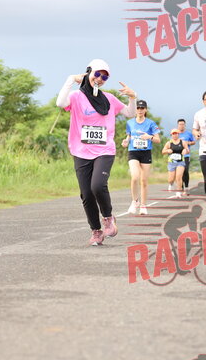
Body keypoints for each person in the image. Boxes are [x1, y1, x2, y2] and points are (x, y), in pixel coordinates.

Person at [56, 59, 137, 245]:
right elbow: (60, 102)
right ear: (88, 72)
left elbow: (130, 113)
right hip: (81, 151)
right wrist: (71, 79)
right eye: (97, 74)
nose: (100, 79)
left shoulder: (109, 98)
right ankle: (96, 231)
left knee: (98, 186)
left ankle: (108, 217)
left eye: (104, 77)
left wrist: (133, 97)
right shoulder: (76, 96)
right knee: (86, 194)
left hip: (104, 150)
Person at [121, 99, 161, 215]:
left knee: (144, 180)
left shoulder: (151, 123)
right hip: (133, 152)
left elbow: (158, 140)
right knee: (134, 177)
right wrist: (126, 142)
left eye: (142, 108)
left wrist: (149, 137)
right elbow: (129, 136)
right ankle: (135, 201)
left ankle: (143, 205)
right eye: (138, 108)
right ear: (135, 109)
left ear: (145, 110)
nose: (140, 110)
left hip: (145, 153)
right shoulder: (130, 123)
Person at [162, 128, 190, 199]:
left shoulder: (182, 142)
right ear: (171, 135)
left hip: (180, 162)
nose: (175, 135)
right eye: (173, 134)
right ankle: (171, 184)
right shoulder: (169, 143)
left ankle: (178, 192)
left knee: (178, 177)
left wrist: (185, 150)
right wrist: (167, 151)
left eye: (176, 133)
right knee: (171, 179)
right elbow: (163, 151)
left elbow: (187, 150)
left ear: (178, 134)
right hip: (171, 163)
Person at [175, 119, 196, 192]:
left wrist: (188, 143)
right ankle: (181, 187)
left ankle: (186, 186)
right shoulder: (176, 134)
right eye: (180, 124)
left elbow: (194, 142)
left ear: (185, 125)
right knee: (179, 172)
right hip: (177, 155)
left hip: (186, 155)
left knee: (185, 170)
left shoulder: (188, 134)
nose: (181, 126)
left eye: (183, 124)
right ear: (178, 125)